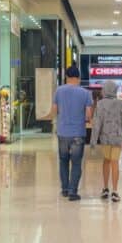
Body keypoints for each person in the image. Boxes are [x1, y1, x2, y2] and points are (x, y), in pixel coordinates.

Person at [47, 66, 92, 201]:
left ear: (66, 77)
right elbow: (89, 115)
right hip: (78, 132)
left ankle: (65, 189)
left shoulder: (59, 91)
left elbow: (54, 110)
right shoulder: (85, 93)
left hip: (63, 132)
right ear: (78, 78)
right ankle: (73, 192)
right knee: (77, 162)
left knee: (63, 161)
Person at [90, 80, 122, 202]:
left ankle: (105, 188)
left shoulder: (100, 104)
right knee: (115, 162)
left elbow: (97, 124)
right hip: (117, 138)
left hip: (105, 138)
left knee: (106, 161)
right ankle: (115, 191)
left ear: (105, 90)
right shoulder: (121, 104)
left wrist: (93, 141)